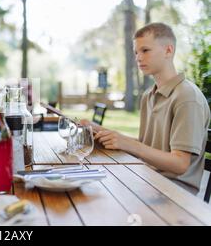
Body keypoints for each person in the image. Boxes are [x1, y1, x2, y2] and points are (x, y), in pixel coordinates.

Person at [82, 22, 210, 194]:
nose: (138, 58)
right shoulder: (148, 95)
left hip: (174, 194)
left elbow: (180, 164)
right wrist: (99, 130)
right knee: (90, 188)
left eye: (145, 50)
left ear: (168, 50)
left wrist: (129, 145)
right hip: (146, 178)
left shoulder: (187, 97)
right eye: (136, 52)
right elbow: (146, 147)